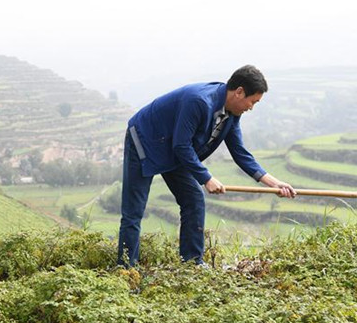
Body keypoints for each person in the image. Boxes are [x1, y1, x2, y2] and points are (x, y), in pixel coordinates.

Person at [118, 65, 296, 266]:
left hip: (175, 148)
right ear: (239, 92)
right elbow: (181, 145)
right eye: (252, 101)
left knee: (194, 199)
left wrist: (273, 183)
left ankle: (192, 263)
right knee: (133, 211)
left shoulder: (231, 113)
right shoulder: (199, 101)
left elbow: (240, 153)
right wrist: (207, 178)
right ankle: (126, 268)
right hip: (145, 141)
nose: (251, 107)